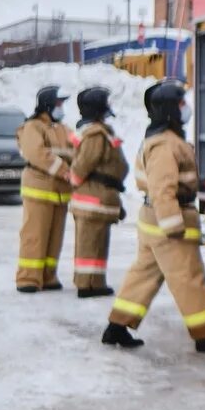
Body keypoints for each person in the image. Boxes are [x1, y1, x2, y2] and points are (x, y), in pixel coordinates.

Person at [102, 79, 205, 353]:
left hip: (154, 220)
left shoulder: (164, 139)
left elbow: (171, 180)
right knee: (189, 276)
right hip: (167, 220)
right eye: (181, 104)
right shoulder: (165, 145)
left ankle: (117, 327)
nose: (186, 108)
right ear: (169, 110)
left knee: (144, 274)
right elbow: (163, 188)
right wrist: (173, 225)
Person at [68, 86, 129, 298]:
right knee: (89, 244)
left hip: (101, 197)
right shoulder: (95, 135)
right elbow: (83, 165)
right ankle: (86, 284)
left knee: (97, 244)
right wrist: (76, 181)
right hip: (92, 199)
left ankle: (96, 282)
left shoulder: (99, 131)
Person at [15, 85, 74, 293]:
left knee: (54, 237)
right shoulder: (33, 127)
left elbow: (76, 149)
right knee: (35, 235)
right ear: (47, 104)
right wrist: (65, 170)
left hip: (60, 192)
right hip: (39, 189)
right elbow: (37, 153)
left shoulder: (62, 128)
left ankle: (48, 276)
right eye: (58, 103)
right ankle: (28, 278)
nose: (61, 107)